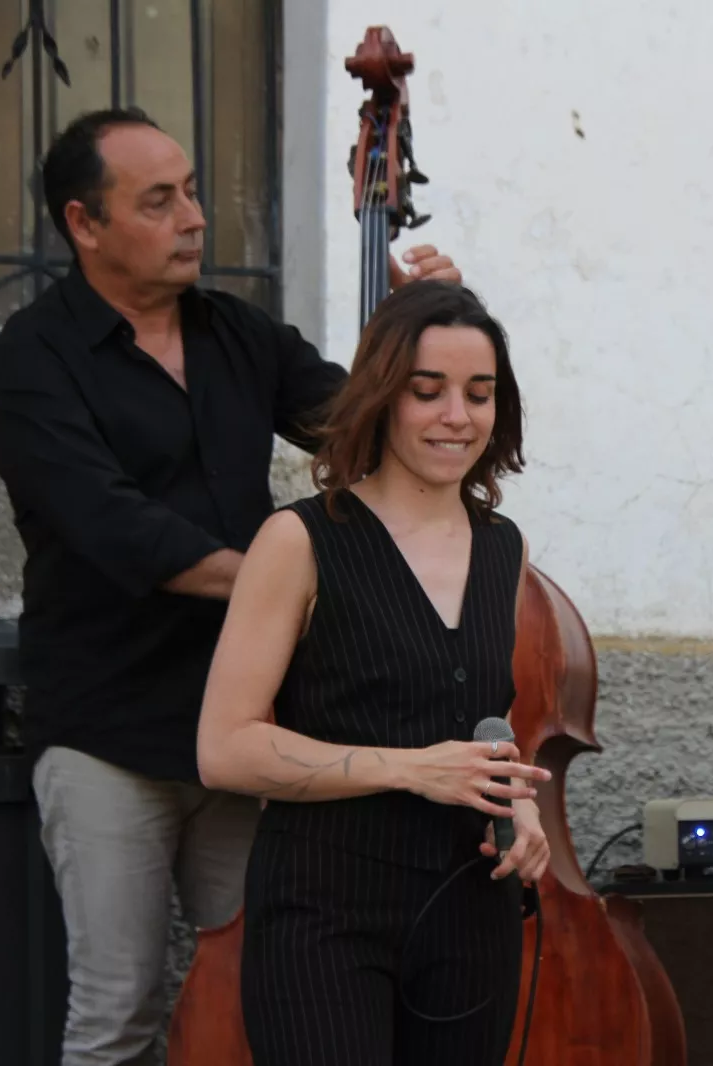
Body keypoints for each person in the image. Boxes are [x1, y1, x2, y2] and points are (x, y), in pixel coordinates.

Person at [0, 106, 463, 1066]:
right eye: (160, 201)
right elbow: (121, 531)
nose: (195, 217)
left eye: (193, 190)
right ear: (85, 223)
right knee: (117, 1013)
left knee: (271, 992)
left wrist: (423, 336)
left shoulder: (237, 334)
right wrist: (295, 588)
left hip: (242, 733)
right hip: (107, 735)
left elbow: (363, 430)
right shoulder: (33, 359)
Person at [194, 279, 552, 1065]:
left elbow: (485, 727)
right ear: (384, 396)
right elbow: (224, 749)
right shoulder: (297, 541)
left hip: (470, 906)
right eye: (428, 392)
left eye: (479, 393)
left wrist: (515, 809)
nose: (457, 415)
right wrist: (411, 770)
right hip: (323, 912)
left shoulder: (505, 548)